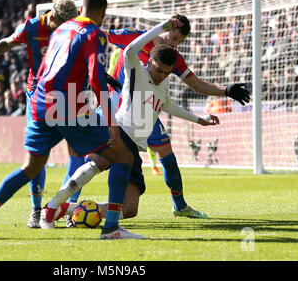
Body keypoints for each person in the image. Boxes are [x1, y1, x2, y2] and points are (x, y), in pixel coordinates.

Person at [0, 0, 143, 240]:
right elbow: (95, 79)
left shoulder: (59, 31)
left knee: (30, 167)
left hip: (39, 101)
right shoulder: (94, 35)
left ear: (81, 8)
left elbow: (44, 67)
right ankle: (111, 228)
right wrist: (111, 124)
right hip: (68, 103)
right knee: (123, 156)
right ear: (103, 13)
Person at [40, 18, 219, 228]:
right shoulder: (136, 69)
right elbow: (130, 49)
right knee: (96, 163)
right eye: (158, 69)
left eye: (166, 72)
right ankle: (51, 208)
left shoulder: (163, 85)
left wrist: (200, 120)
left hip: (134, 146)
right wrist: (161, 28)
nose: (161, 75)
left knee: (130, 210)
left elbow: (169, 106)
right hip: (118, 132)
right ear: (149, 61)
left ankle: (70, 209)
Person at [98, 14, 250, 219]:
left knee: (168, 157)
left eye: (179, 41)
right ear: (166, 27)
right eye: (173, 37)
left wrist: (227, 90)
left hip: (147, 112)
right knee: (96, 159)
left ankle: (180, 206)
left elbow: (196, 84)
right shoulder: (136, 37)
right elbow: (99, 37)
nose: (174, 43)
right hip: (117, 107)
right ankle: (67, 203)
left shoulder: (173, 58)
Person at [0, 0, 79, 228]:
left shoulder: (74, 28)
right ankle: (37, 210)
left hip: (69, 97)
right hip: (39, 98)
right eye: (61, 24)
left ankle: (69, 209)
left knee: (79, 153)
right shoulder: (32, 27)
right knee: (37, 161)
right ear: (51, 16)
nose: (65, 30)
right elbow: (6, 43)